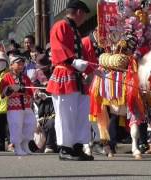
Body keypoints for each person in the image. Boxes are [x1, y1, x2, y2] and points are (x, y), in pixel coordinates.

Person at [46, 0, 94, 161]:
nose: (84, 18)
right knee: (66, 113)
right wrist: (72, 61)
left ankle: (77, 146)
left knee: (80, 113)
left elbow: (82, 55)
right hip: (65, 74)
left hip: (77, 77)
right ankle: (65, 148)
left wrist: (93, 69)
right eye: (84, 14)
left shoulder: (75, 29)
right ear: (79, 12)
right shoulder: (61, 25)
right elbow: (58, 47)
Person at [0, 55, 36, 156]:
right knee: (16, 125)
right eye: (18, 63)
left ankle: (25, 145)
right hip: (14, 106)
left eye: (22, 63)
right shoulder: (6, 77)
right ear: (11, 65)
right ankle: (17, 147)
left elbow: (31, 87)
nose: (21, 65)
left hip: (26, 105)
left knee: (31, 124)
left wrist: (36, 93)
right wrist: (10, 88)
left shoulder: (25, 77)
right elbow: (2, 93)